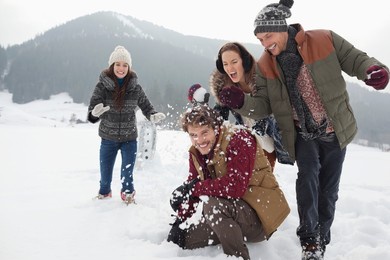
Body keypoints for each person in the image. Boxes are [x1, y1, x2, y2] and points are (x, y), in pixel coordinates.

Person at [216, 0, 389, 259]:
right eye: (260, 39)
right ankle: (310, 243)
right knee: (307, 180)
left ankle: (322, 236)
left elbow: (357, 59)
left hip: (335, 130)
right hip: (302, 134)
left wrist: (374, 71)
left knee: (328, 190)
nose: (264, 44)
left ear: (282, 28)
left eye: (268, 36)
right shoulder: (265, 64)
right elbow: (263, 104)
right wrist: (242, 103)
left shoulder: (324, 39)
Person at [167, 105, 290, 260]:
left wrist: (193, 189)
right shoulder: (196, 152)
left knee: (212, 205)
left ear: (215, 127)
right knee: (184, 238)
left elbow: (235, 187)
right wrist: (181, 217)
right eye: (193, 135)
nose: (200, 140)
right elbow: (194, 186)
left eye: (204, 132)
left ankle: (238, 257)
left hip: (260, 217)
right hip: (229, 214)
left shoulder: (239, 139)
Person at [87, 45, 166, 204]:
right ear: (112, 66)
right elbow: (93, 111)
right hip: (108, 138)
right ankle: (104, 193)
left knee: (127, 172)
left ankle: (128, 194)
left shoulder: (135, 87)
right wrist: (95, 112)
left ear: (129, 67)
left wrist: (152, 115)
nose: (121, 68)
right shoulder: (102, 86)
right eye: (117, 64)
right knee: (105, 172)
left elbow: (146, 106)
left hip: (129, 138)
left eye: (125, 65)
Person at [210, 42, 293, 170]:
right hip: (246, 139)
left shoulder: (261, 79)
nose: (229, 68)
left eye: (234, 62)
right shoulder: (225, 86)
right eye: (225, 64)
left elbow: (272, 110)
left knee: (262, 181)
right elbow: (217, 116)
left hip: (268, 139)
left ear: (245, 61)